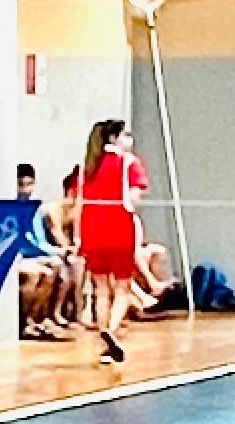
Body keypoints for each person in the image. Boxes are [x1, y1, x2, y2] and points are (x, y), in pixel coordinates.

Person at [74, 118, 146, 363]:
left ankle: (104, 333)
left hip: (92, 231)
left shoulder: (88, 165)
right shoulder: (129, 163)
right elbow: (133, 200)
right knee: (123, 287)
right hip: (119, 228)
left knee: (100, 289)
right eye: (125, 134)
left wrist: (77, 237)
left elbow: (78, 204)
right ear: (115, 138)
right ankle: (112, 332)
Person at [13, 161, 77, 337]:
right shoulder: (13, 209)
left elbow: (39, 238)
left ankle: (40, 317)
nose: (25, 190)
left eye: (29, 184)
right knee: (36, 274)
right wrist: (55, 251)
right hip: (20, 256)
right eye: (21, 184)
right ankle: (25, 321)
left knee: (55, 268)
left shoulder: (36, 209)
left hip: (36, 254)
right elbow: (27, 242)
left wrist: (58, 252)